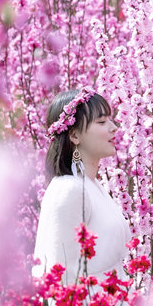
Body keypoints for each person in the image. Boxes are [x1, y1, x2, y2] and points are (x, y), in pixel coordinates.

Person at [33, 87, 130, 285]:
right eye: (102, 122)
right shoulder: (68, 190)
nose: (114, 127)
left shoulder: (95, 188)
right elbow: (59, 275)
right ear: (75, 136)